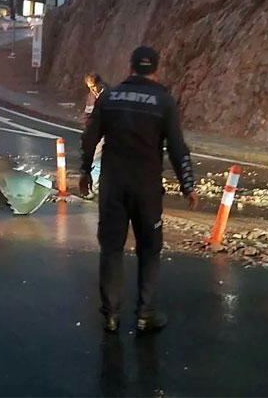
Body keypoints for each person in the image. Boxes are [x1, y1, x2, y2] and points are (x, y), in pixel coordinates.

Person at [80, 46, 199, 333]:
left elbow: (89, 138)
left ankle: (110, 314)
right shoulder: (164, 102)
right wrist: (188, 185)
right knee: (149, 250)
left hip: (113, 187)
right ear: (156, 69)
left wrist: (84, 171)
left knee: (111, 249)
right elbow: (177, 148)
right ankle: (146, 313)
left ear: (130, 66)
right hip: (146, 189)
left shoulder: (109, 97)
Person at [81, 73, 108, 196]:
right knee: (95, 160)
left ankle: (96, 187)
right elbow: (88, 113)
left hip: (105, 132)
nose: (92, 89)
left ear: (99, 83)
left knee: (97, 160)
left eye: (93, 86)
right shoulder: (91, 96)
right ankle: (95, 186)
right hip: (94, 132)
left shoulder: (108, 95)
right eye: (89, 87)